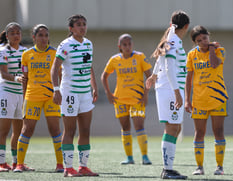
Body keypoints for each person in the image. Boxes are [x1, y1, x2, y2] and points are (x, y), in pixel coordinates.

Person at [51, 14, 99, 177]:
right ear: (71, 28)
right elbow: (54, 68)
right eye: (79, 24)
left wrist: (94, 86)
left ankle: (83, 167)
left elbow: (89, 66)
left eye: (84, 24)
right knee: (70, 130)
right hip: (70, 93)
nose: (83, 27)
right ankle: (68, 168)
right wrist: (56, 89)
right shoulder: (65, 45)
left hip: (85, 92)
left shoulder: (88, 44)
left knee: (85, 130)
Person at [13, 24, 64, 173]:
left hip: (51, 97)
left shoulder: (55, 53)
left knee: (55, 129)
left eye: (46, 35)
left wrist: (59, 92)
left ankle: (60, 164)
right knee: (27, 129)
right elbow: (25, 78)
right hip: (32, 96)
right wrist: (24, 98)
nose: (44, 38)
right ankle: (19, 164)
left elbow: (60, 76)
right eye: (40, 35)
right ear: (34, 37)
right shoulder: (26, 55)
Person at [145, 10, 189, 180]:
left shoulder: (170, 38)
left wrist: (154, 74)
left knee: (175, 127)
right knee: (172, 127)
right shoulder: (174, 41)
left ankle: (168, 168)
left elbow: (160, 60)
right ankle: (167, 169)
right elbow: (169, 67)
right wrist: (177, 92)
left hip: (169, 88)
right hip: (171, 89)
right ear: (186, 26)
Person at [101, 34, 152, 165]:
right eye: (124, 44)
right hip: (120, 99)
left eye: (129, 44)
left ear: (132, 45)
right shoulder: (114, 59)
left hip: (137, 99)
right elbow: (104, 76)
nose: (127, 47)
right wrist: (108, 93)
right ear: (120, 46)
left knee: (139, 126)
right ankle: (129, 158)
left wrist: (145, 94)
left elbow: (150, 77)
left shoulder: (140, 57)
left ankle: (145, 157)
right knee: (125, 128)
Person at [184, 25, 228, 175]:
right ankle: (199, 167)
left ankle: (219, 167)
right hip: (199, 100)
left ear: (209, 36)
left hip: (218, 98)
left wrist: (211, 49)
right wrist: (186, 100)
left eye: (205, 38)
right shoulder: (191, 55)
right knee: (199, 132)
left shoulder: (219, 50)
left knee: (218, 131)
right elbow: (188, 79)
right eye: (199, 40)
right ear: (195, 43)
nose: (203, 41)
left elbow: (215, 64)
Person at [0, 22, 26, 172]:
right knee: (3, 130)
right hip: (6, 92)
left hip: (20, 94)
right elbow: (3, 73)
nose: (16, 36)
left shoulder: (25, 51)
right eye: (13, 33)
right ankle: (2, 163)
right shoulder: (2, 51)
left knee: (19, 130)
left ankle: (17, 162)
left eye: (18, 33)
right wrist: (17, 78)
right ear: (7, 35)